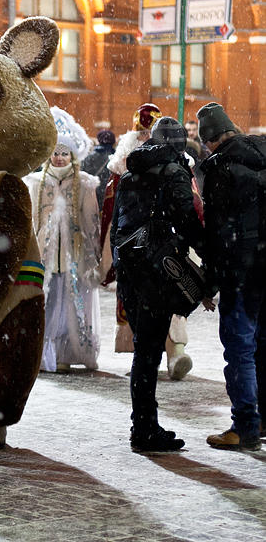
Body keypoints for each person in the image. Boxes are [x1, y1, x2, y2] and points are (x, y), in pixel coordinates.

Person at [111, 116, 205, 452]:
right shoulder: (173, 172)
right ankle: (145, 429)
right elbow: (187, 220)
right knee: (149, 352)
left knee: (144, 352)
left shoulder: (131, 173)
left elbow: (116, 228)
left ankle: (144, 423)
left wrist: (121, 269)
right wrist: (208, 259)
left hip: (132, 272)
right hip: (158, 272)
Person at [197, 102, 266, 451]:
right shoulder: (263, 153)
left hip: (240, 273)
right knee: (263, 346)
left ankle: (245, 426)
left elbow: (217, 233)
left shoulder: (219, 168)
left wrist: (209, 281)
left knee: (240, 349)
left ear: (209, 140)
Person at [23, 107, 101, 373]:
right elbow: (30, 220)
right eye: (54, 153)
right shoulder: (34, 183)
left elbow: (92, 223)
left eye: (63, 153)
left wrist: (93, 257)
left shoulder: (85, 183)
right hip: (43, 255)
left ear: (72, 155)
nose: (58, 158)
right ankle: (43, 353)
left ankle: (66, 353)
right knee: (46, 302)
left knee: (70, 303)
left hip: (73, 255)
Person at [81, 129, 116, 209]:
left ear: (99, 140)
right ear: (113, 142)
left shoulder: (89, 157)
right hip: (110, 194)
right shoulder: (116, 157)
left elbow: (82, 174)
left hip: (92, 193)